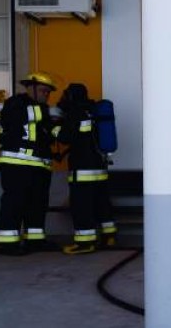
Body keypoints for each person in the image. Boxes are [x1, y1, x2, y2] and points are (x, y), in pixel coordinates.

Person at [0, 72, 60, 256]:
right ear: (30, 87)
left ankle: (35, 240)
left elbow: (50, 132)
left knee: (37, 203)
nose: (46, 94)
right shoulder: (16, 104)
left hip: (39, 165)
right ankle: (8, 244)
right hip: (16, 163)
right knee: (15, 202)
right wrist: (48, 112)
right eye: (43, 90)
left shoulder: (42, 111)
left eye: (48, 92)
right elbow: (24, 117)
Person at [55, 83, 117, 254]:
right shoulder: (95, 111)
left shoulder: (75, 113)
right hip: (100, 169)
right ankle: (109, 236)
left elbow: (64, 138)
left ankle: (85, 243)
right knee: (102, 204)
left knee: (82, 206)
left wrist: (53, 128)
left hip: (82, 171)